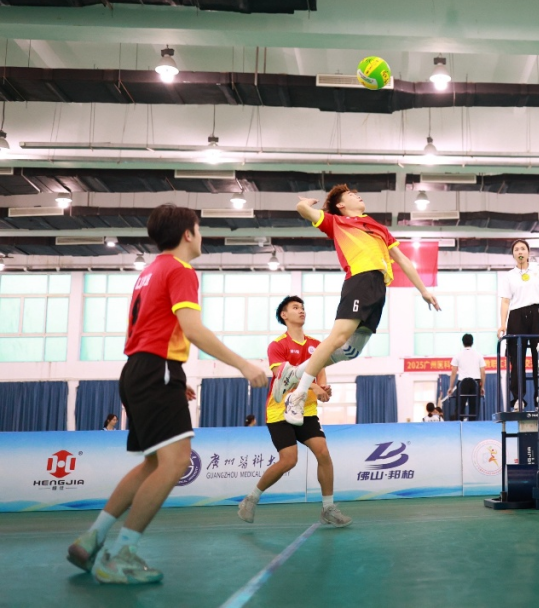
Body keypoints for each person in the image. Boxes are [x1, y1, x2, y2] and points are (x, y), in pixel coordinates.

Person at [67, 204, 267, 585]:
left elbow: (153, 329)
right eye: (199, 229)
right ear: (188, 234)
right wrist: (243, 365)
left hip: (139, 370)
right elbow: (193, 329)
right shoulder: (180, 270)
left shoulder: (149, 271)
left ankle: (91, 539)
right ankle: (121, 555)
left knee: (152, 465)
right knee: (176, 462)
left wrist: (172, 374)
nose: (202, 236)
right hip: (155, 371)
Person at [276, 185, 440, 426]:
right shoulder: (336, 222)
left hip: (379, 286)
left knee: (351, 350)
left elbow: (402, 259)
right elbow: (302, 209)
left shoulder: (379, 228)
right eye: (351, 195)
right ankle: (298, 395)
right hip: (359, 281)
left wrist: (423, 290)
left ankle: (294, 372)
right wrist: (309, 202)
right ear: (341, 205)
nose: (358, 195)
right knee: (338, 338)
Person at [237, 296, 351, 528]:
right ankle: (251, 499)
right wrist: (314, 387)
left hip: (306, 409)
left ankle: (328, 508)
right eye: (295, 307)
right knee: (289, 459)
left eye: (302, 307)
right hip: (280, 410)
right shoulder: (277, 345)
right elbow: (283, 376)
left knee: (323, 452)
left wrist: (323, 389)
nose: (301, 311)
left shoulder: (317, 345)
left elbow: (320, 373)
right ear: (284, 315)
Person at [498, 240, 539, 411]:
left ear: (528, 252)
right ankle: (518, 398)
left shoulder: (538, 270)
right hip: (516, 316)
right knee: (517, 359)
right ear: (513, 254)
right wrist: (502, 324)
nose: (520, 251)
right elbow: (505, 301)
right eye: (516, 249)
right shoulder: (508, 276)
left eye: (523, 249)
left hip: (537, 314)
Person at [449, 333, 484, 421]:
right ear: (472, 342)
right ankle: (473, 425)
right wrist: (482, 387)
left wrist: (451, 387)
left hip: (462, 383)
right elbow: (483, 373)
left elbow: (453, 373)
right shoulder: (479, 355)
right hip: (475, 383)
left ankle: (459, 424)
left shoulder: (458, 355)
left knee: (460, 407)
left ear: (463, 342)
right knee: (474, 408)